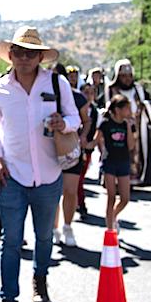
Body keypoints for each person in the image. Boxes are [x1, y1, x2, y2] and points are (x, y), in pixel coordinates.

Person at [0, 26, 80, 302]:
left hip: (50, 174)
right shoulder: (0, 89)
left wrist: (62, 123)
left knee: (43, 238)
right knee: (10, 242)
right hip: (12, 176)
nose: (24, 59)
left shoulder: (57, 82)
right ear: (10, 55)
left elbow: (75, 119)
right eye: (19, 53)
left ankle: (40, 280)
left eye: (30, 54)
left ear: (40, 56)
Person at [51, 64, 91, 247]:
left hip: (71, 149)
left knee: (70, 190)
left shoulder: (77, 97)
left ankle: (67, 226)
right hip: (48, 151)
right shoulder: (42, 97)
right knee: (52, 194)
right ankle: (54, 228)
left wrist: (83, 137)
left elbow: (86, 121)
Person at [103, 59, 151, 186]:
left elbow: (148, 102)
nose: (127, 79)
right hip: (117, 129)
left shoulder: (138, 89)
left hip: (137, 128)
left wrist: (144, 106)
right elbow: (106, 107)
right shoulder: (111, 89)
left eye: (129, 76)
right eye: (123, 76)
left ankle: (135, 179)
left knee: (136, 152)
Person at [95, 94, 136, 232]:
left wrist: (129, 127)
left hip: (123, 161)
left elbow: (131, 146)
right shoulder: (106, 124)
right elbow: (96, 140)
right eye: (127, 109)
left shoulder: (126, 124)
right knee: (111, 196)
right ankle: (109, 228)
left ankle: (114, 216)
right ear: (118, 110)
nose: (129, 112)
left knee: (125, 198)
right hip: (110, 162)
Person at [76, 82, 100, 218]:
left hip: (87, 149)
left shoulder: (96, 112)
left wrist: (93, 144)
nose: (89, 96)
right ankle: (80, 203)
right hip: (73, 147)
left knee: (80, 177)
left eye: (92, 93)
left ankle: (79, 203)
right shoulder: (73, 108)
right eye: (86, 93)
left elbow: (99, 131)